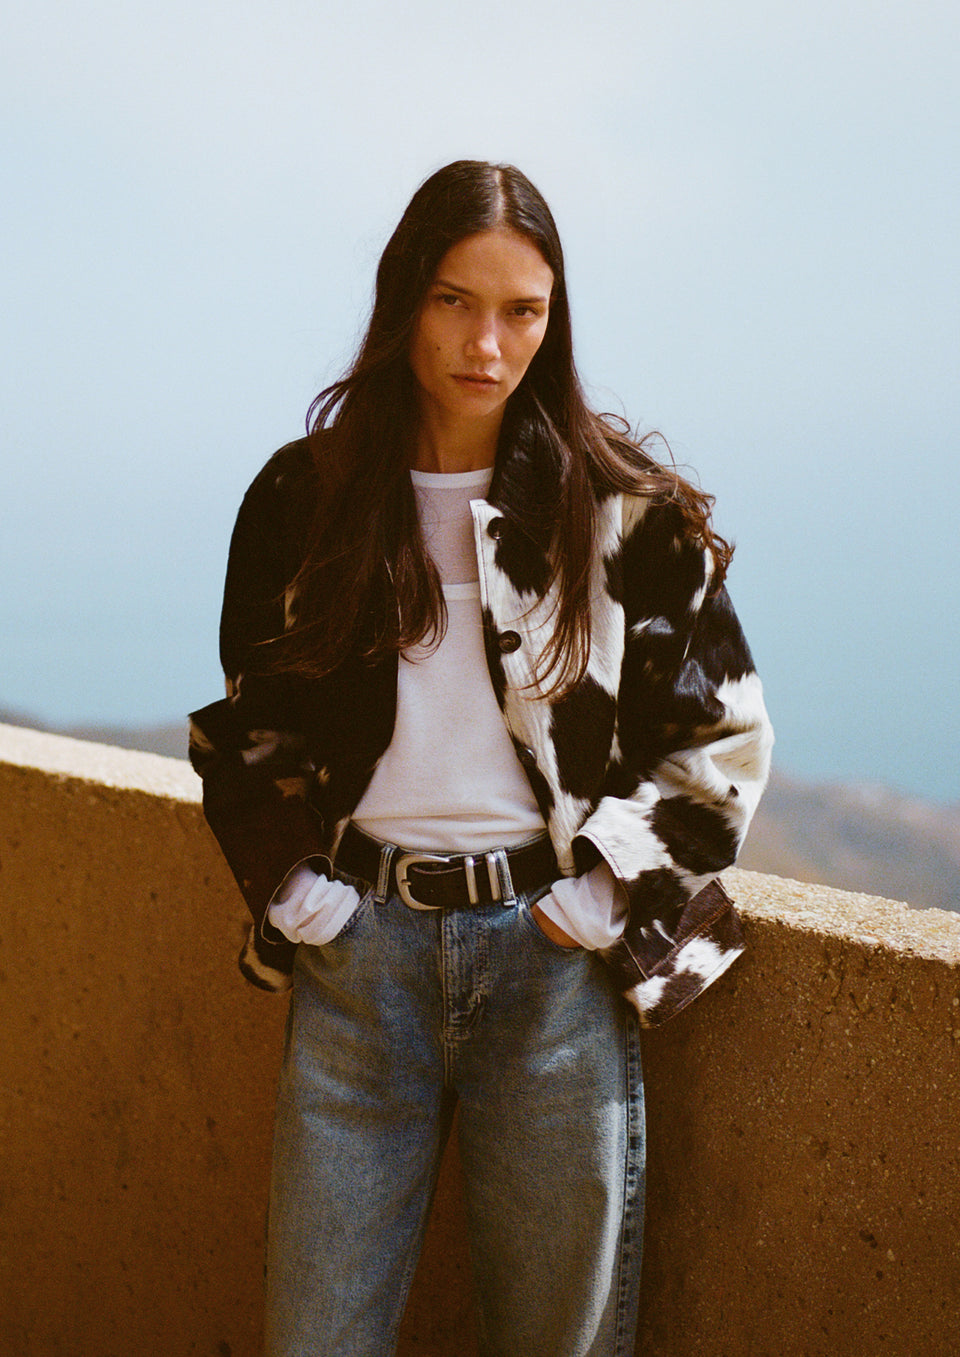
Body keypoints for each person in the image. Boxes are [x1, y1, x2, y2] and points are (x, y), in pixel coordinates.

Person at [189, 159, 773, 1357]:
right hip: (359, 967)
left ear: (555, 320)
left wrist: (598, 896)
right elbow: (247, 728)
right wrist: (297, 891)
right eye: (455, 300)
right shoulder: (306, 497)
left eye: (523, 310)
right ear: (405, 296)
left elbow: (721, 738)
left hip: (554, 972)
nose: (487, 343)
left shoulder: (618, 510)